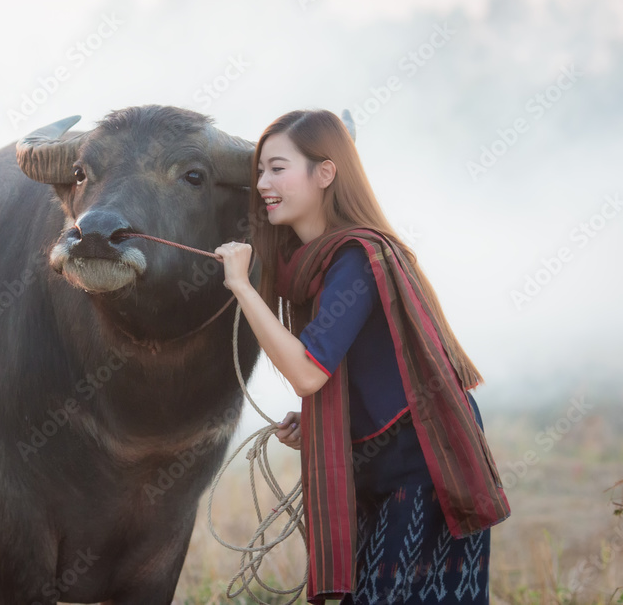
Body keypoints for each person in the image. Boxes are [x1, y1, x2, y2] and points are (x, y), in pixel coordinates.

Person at [213, 109, 510, 605]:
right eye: (260, 171)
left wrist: (242, 286)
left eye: (278, 168)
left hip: (423, 463)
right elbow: (355, 373)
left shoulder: (356, 257)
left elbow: (309, 373)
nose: (263, 183)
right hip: (375, 462)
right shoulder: (313, 265)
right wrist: (314, 426)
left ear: (325, 173)